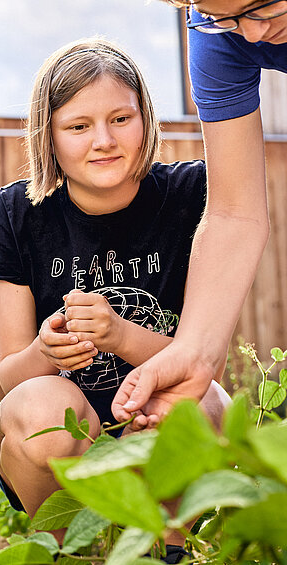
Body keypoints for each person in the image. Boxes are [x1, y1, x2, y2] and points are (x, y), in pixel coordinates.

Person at [0, 38, 230, 561]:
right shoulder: (17, 213)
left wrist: (119, 334)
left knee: (199, 405)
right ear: (49, 136)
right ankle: (71, 551)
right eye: (78, 126)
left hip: (155, 420)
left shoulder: (192, 195)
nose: (104, 141)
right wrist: (48, 353)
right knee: (39, 407)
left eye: (121, 118)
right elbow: (12, 380)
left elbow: (208, 364)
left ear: (146, 118)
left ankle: (168, 549)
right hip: (53, 442)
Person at [113, 0, 287, 429]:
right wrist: (193, 351)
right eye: (220, 17)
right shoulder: (217, 35)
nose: (250, 35)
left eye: (260, 8)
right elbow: (234, 213)